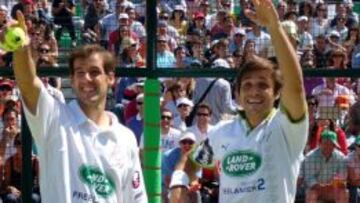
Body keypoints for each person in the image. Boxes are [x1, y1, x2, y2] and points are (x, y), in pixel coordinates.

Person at [169, 0, 308, 202]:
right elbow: (190, 161)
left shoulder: (286, 128)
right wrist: (178, 183)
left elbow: (295, 87)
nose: (254, 92)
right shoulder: (222, 131)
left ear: (277, 93)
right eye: (247, 85)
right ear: (237, 94)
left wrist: (275, 28)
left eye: (263, 85)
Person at [9, 11, 147, 203]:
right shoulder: (54, 119)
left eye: (94, 72)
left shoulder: (126, 138)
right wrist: (21, 48)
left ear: (111, 78)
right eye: (79, 73)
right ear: (71, 81)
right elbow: (27, 82)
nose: (86, 79)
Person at [303, 130, 348, 203]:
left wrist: (337, 183)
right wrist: (321, 187)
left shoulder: (341, 157)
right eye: (326, 143)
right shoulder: (310, 157)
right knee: (311, 194)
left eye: (332, 144)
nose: (329, 146)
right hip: (316, 189)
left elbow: (343, 178)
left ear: (335, 145)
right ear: (319, 143)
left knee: (344, 192)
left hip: (333, 189)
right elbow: (309, 178)